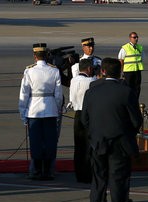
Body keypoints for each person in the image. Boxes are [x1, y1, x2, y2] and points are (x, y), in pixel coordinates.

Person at [81, 57, 142, 202]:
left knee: (98, 182)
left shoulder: (91, 92)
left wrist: (96, 134)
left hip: (98, 143)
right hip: (119, 145)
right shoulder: (126, 92)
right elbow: (136, 120)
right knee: (119, 184)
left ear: (103, 72)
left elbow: (85, 119)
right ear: (120, 73)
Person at [19, 43, 63, 181]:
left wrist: (23, 113)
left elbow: (24, 94)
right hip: (50, 110)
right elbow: (58, 95)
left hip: (34, 111)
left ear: (35, 56)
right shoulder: (54, 71)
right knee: (50, 141)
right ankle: (49, 171)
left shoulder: (29, 71)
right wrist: (57, 110)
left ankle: (36, 171)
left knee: (36, 141)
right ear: (46, 55)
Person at [68, 59, 97, 184]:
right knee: (88, 145)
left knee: (79, 145)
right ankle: (88, 173)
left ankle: (79, 173)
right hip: (89, 114)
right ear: (89, 69)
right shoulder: (91, 81)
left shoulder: (73, 80)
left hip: (77, 114)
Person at [118, 32, 144, 98]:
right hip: (128, 72)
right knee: (128, 88)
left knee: (137, 88)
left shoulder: (140, 47)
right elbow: (121, 60)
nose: (136, 39)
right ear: (130, 38)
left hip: (137, 71)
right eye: (134, 37)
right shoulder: (125, 48)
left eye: (137, 37)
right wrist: (122, 72)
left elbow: (142, 57)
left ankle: (135, 102)